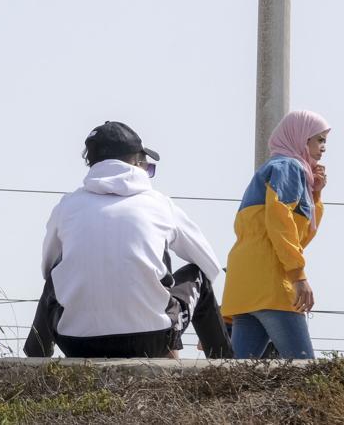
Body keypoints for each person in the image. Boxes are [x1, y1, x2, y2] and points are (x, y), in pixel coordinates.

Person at [26, 121, 231, 359]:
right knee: (199, 275)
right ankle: (223, 365)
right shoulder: (160, 204)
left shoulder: (67, 206)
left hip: (76, 342)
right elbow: (210, 266)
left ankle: (36, 357)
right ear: (137, 162)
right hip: (152, 339)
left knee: (56, 273)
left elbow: (47, 268)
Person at [222, 110, 330, 359]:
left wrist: (315, 195)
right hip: (271, 282)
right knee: (306, 373)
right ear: (301, 138)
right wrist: (298, 275)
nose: (323, 148)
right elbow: (280, 223)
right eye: (319, 139)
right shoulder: (290, 167)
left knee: (237, 380)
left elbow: (297, 233)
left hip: (244, 285)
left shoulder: (273, 169)